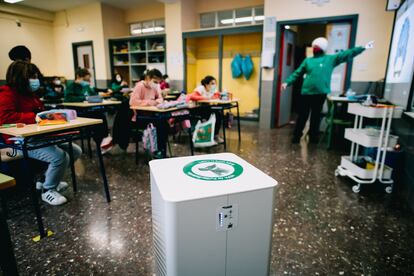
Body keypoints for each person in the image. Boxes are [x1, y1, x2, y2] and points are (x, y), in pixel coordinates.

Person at [0, 61, 82, 206]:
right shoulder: (7, 94)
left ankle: (45, 180)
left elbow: (39, 112)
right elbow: (5, 118)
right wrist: (36, 117)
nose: (35, 79)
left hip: (38, 136)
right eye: (32, 76)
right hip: (19, 140)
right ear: (20, 77)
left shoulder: (30, 94)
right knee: (59, 157)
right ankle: (48, 190)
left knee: (75, 150)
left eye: (35, 76)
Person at [282, 37, 374, 144]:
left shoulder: (330, 59)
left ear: (323, 48)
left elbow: (346, 54)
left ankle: (313, 138)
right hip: (306, 93)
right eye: (314, 46)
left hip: (320, 94)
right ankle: (296, 136)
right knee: (302, 116)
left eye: (317, 46)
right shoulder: (308, 61)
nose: (315, 48)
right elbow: (297, 73)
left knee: (315, 117)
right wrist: (287, 82)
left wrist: (363, 48)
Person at [64, 68, 113, 153]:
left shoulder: (86, 87)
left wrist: (100, 96)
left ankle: (103, 140)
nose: (87, 81)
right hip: (78, 112)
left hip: (89, 110)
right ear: (78, 77)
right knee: (99, 117)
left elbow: (93, 95)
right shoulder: (71, 86)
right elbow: (68, 99)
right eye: (85, 79)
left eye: (88, 79)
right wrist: (84, 98)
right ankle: (101, 141)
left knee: (100, 117)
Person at [129, 69, 167, 157]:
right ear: (148, 78)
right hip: (140, 116)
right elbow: (133, 102)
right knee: (160, 123)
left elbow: (160, 99)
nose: (156, 84)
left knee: (164, 123)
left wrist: (156, 101)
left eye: (158, 82)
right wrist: (151, 102)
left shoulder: (154, 87)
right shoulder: (140, 86)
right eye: (155, 81)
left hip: (152, 114)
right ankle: (158, 150)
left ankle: (161, 150)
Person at [189, 75, 223, 143]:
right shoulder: (201, 88)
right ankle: (204, 135)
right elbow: (192, 96)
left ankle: (215, 135)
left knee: (218, 114)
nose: (214, 85)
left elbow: (217, 95)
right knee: (211, 114)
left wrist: (215, 95)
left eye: (215, 83)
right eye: (212, 83)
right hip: (196, 108)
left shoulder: (212, 89)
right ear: (206, 84)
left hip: (206, 108)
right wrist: (206, 98)